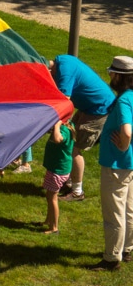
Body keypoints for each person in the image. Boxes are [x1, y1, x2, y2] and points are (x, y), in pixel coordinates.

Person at [50, 55, 116, 202]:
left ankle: (77, 192)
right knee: (70, 144)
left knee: (74, 148)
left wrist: (56, 124)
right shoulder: (62, 61)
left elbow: (63, 102)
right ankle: (70, 183)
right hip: (88, 107)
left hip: (99, 110)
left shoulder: (65, 73)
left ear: (50, 70)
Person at [91, 56, 133, 271]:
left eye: (112, 74)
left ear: (119, 77)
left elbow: (127, 130)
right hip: (130, 165)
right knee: (128, 209)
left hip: (117, 164)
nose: (110, 77)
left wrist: (124, 145)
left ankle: (111, 259)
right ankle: (127, 250)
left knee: (114, 212)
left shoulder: (125, 99)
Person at [41, 119, 75, 235]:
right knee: (49, 195)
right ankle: (48, 220)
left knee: (52, 198)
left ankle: (54, 227)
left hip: (58, 171)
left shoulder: (63, 129)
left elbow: (57, 139)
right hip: (55, 168)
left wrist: (57, 125)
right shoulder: (67, 125)